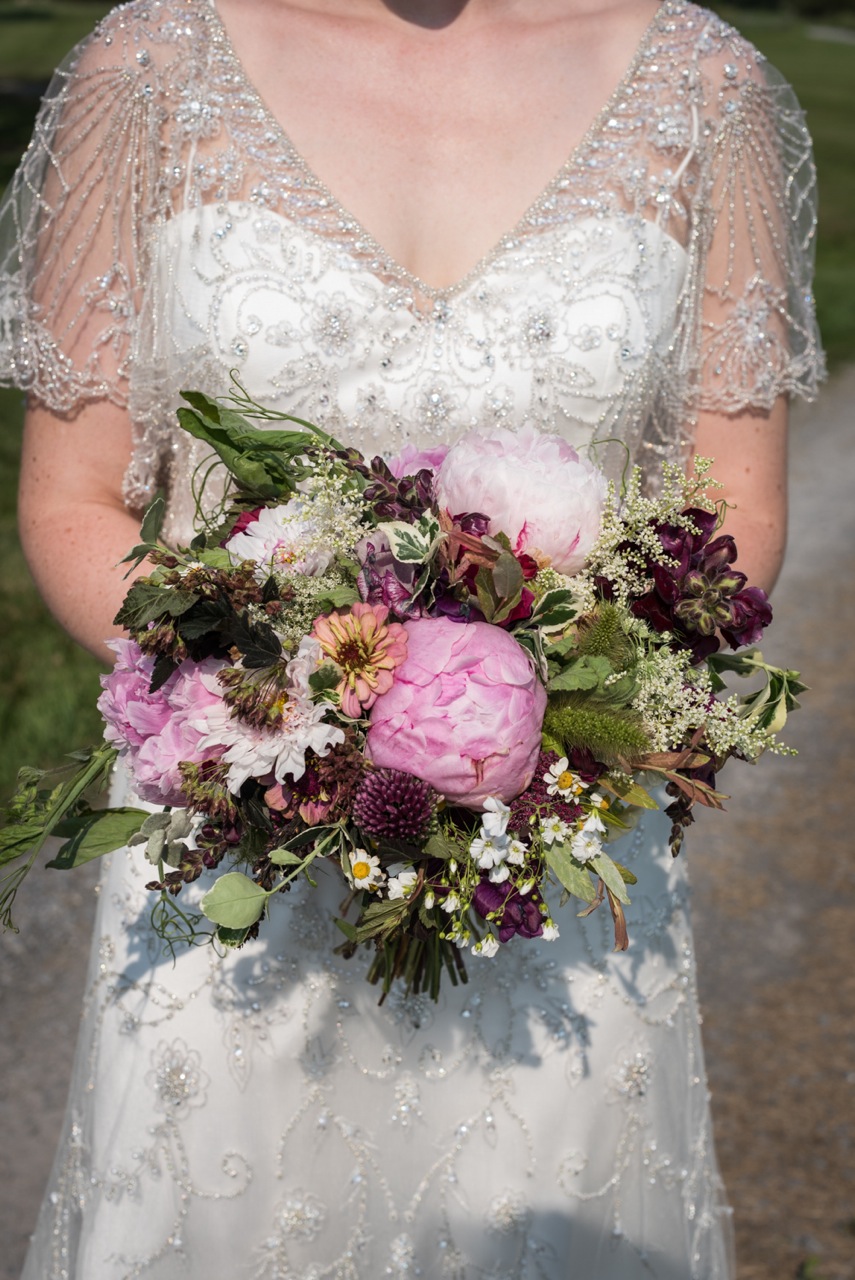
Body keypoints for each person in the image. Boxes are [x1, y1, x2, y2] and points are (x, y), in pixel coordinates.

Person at [0, 0, 823, 1276]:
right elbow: (72, 494)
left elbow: (736, 504)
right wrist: (288, 712)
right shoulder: (149, 67)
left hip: (548, 852)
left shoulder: (704, 87)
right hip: (233, 830)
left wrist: (540, 724)